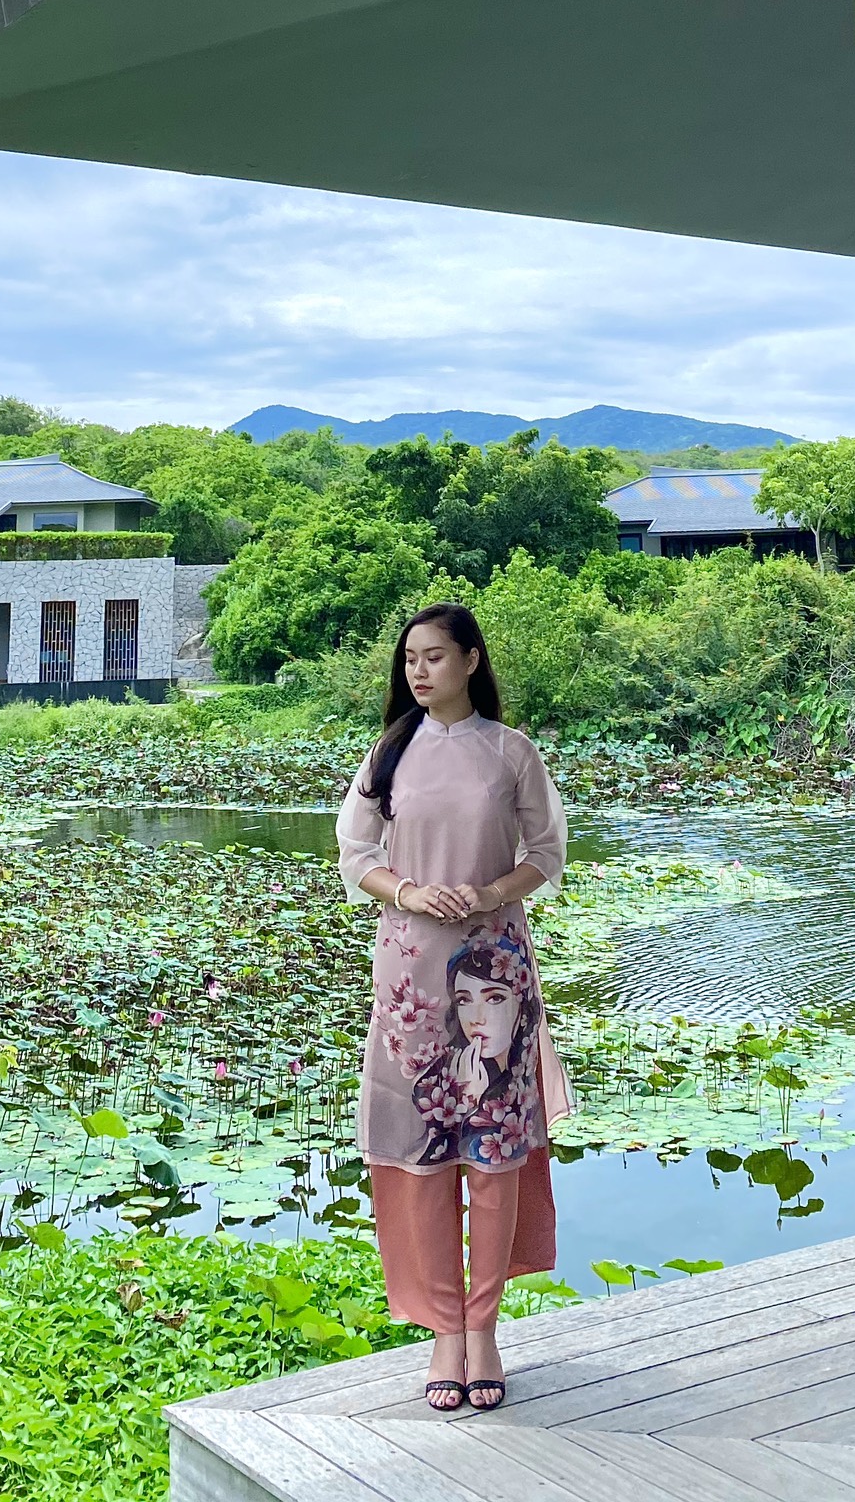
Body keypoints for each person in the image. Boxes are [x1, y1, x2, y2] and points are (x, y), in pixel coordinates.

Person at [336, 603, 570, 1413]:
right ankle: (443, 1329)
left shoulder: (511, 752)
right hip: (410, 973)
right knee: (424, 1146)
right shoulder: (389, 754)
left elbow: (547, 853)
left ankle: (484, 1328)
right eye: (410, 659)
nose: (419, 670)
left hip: (495, 968)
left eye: (435, 656)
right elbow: (355, 854)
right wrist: (408, 891)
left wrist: (491, 893)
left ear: (471, 660)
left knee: (494, 1147)